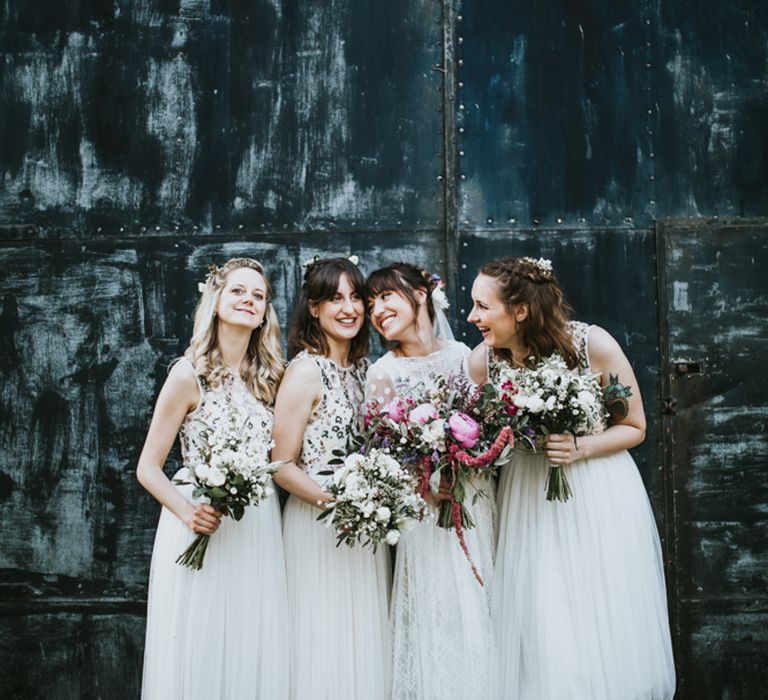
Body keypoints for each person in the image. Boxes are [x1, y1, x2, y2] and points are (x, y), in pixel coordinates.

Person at [466, 256, 676, 700]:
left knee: (601, 613)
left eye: (483, 306)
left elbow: (634, 426)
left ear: (519, 310)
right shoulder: (483, 364)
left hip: (597, 493)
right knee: (544, 617)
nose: (472, 317)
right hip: (529, 498)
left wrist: (579, 447)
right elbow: (485, 437)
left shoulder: (590, 345)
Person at [137, 258, 290, 699]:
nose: (249, 300)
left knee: (250, 644)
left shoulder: (270, 380)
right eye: (238, 291)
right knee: (197, 646)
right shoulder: (188, 375)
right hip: (198, 520)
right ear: (216, 301)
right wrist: (189, 513)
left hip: (256, 525)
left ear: (264, 314)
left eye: (258, 296)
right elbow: (148, 467)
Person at [365, 262, 495, 700]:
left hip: (475, 503)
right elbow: (378, 460)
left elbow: (489, 429)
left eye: (386, 297)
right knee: (436, 621)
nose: (377, 310)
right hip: (425, 517)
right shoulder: (383, 373)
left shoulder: (465, 356)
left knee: (485, 606)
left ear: (421, 293)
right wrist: (422, 481)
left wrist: (470, 458)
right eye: (371, 304)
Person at [272, 257, 391, 700]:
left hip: (366, 528)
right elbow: (281, 465)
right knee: (323, 640)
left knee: (364, 639)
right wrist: (337, 504)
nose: (349, 308)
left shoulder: (367, 371)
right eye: (334, 298)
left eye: (356, 297)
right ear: (315, 308)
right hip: (319, 526)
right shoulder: (304, 371)